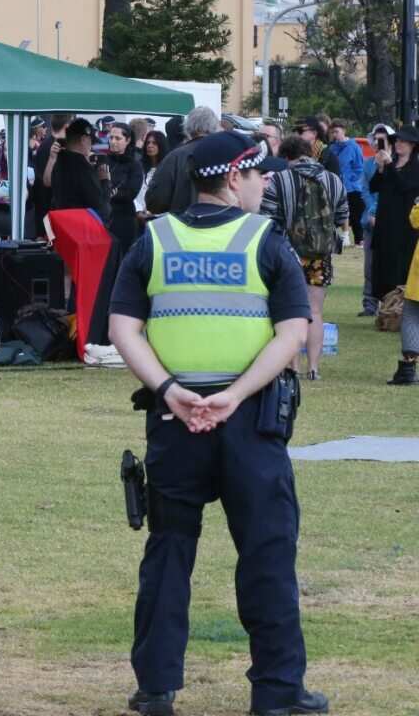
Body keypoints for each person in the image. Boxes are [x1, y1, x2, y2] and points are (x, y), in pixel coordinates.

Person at [108, 130, 326, 716]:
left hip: (175, 421)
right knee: (267, 553)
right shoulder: (266, 241)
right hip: (250, 421)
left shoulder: (153, 240)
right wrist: (234, 395)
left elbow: (123, 327)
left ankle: (156, 688)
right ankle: (278, 693)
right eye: (258, 177)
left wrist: (171, 390)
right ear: (235, 178)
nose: (262, 186)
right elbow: (293, 330)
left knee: (169, 551)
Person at [261, 136, 349, 381]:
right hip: (320, 255)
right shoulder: (332, 179)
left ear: (286, 156)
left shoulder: (279, 179)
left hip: (287, 253)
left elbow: (268, 216)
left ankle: (292, 366)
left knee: (289, 310)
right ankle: (314, 368)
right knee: (316, 311)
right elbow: (342, 214)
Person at [369, 125, 419, 385]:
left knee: (405, 279)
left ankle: (399, 315)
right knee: (384, 270)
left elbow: (405, 190)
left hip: (406, 230)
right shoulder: (389, 163)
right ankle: (387, 311)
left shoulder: (414, 168)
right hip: (387, 225)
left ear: (413, 146)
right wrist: (380, 167)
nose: (398, 145)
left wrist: (389, 167)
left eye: (403, 142)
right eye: (396, 141)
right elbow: (375, 186)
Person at [145, 106, 219, 215]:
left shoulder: (174, 157)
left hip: (183, 224)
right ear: (214, 126)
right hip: (221, 224)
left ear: (188, 127)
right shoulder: (225, 155)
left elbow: (155, 201)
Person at [45, 118, 111, 223]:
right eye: (91, 140)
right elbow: (102, 208)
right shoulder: (83, 168)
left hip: (62, 226)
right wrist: (104, 181)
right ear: (84, 139)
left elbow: (47, 182)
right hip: (81, 229)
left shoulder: (59, 161)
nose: (91, 145)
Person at [358, 123, 393, 317]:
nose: (379, 143)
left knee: (389, 263)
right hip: (370, 221)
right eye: (376, 139)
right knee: (370, 264)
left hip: (390, 220)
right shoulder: (368, 163)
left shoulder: (396, 163)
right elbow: (366, 190)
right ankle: (369, 304)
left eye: (383, 139)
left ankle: (390, 303)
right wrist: (372, 213)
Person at [105, 122, 145, 258]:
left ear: (127, 140)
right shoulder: (103, 161)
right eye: (111, 138)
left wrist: (108, 193)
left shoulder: (134, 165)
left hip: (123, 219)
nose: (113, 141)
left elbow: (130, 193)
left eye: (117, 138)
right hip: (103, 218)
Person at [32, 114, 72, 237]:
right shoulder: (55, 148)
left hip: (45, 210)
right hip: (53, 211)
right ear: (67, 126)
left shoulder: (43, 146)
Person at [327, 121, 366, 245]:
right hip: (336, 186)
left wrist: (352, 180)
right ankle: (342, 237)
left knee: (356, 214)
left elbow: (359, 167)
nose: (335, 134)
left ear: (344, 131)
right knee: (339, 213)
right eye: (332, 132)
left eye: (337, 131)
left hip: (353, 187)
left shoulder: (354, 147)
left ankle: (359, 240)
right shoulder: (332, 148)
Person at [136, 130, 169, 217]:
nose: (150, 146)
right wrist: (139, 210)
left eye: (154, 143)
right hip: (139, 216)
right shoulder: (139, 167)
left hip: (161, 216)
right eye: (148, 143)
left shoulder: (168, 168)